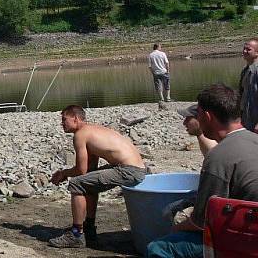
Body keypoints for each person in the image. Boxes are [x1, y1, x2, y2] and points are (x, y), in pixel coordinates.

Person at [146, 84, 258, 258]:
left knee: (158, 248)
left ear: (207, 116)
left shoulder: (219, 156)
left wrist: (176, 228)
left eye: (197, 114)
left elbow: (202, 222)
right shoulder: (254, 139)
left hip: (247, 239)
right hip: (250, 224)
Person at [48, 105, 147, 248]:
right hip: (136, 168)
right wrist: (70, 173)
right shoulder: (92, 130)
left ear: (75, 119)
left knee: (76, 183)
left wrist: (64, 173)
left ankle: (76, 234)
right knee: (88, 182)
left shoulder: (80, 135)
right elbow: (89, 171)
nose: (61, 123)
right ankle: (89, 229)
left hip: (128, 170)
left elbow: (80, 171)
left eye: (64, 119)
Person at [238, 38, 258, 133]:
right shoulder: (246, 70)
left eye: (248, 49)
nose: (244, 51)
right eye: (244, 49)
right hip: (246, 117)